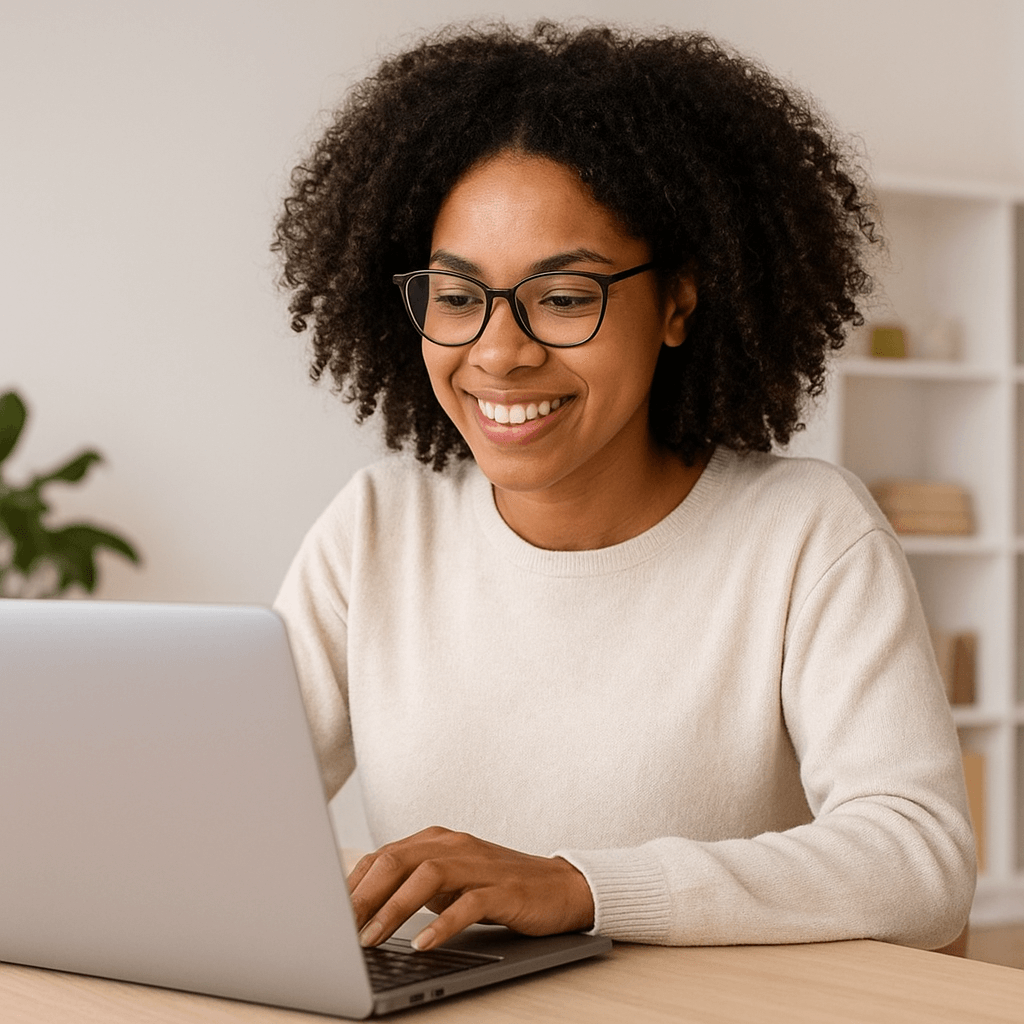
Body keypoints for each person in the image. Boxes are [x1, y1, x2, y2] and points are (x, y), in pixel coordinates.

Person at [271, 21, 975, 956]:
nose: (498, 352)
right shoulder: (377, 526)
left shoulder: (806, 531)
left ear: (678, 304)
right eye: (455, 296)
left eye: (564, 298)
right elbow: (221, 809)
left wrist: (582, 887)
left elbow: (918, 860)